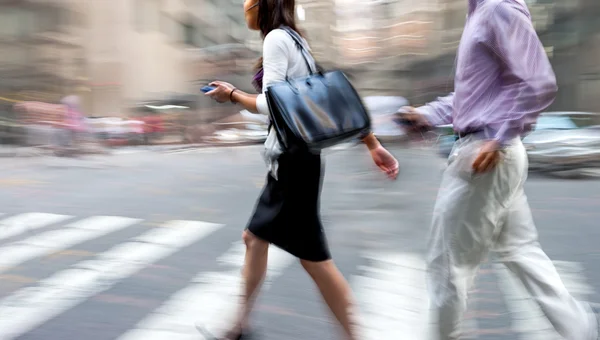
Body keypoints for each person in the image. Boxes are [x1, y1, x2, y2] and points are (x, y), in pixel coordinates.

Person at [399, 0, 599, 339]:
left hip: (485, 156)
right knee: (522, 253)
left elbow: (539, 82)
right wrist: (426, 114)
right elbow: (475, 98)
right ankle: (581, 331)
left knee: (446, 267)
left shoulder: (497, 9)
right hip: (491, 152)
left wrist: (499, 136)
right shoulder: (480, 12)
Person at [201, 0, 400, 339]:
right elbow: (326, 98)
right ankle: (238, 326)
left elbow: (270, 103)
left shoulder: (277, 39)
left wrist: (231, 94)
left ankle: (354, 335)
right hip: (296, 160)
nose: (245, 6)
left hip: (294, 162)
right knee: (254, 238)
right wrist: (371, 142)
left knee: (314, 258)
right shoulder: (296, 40)